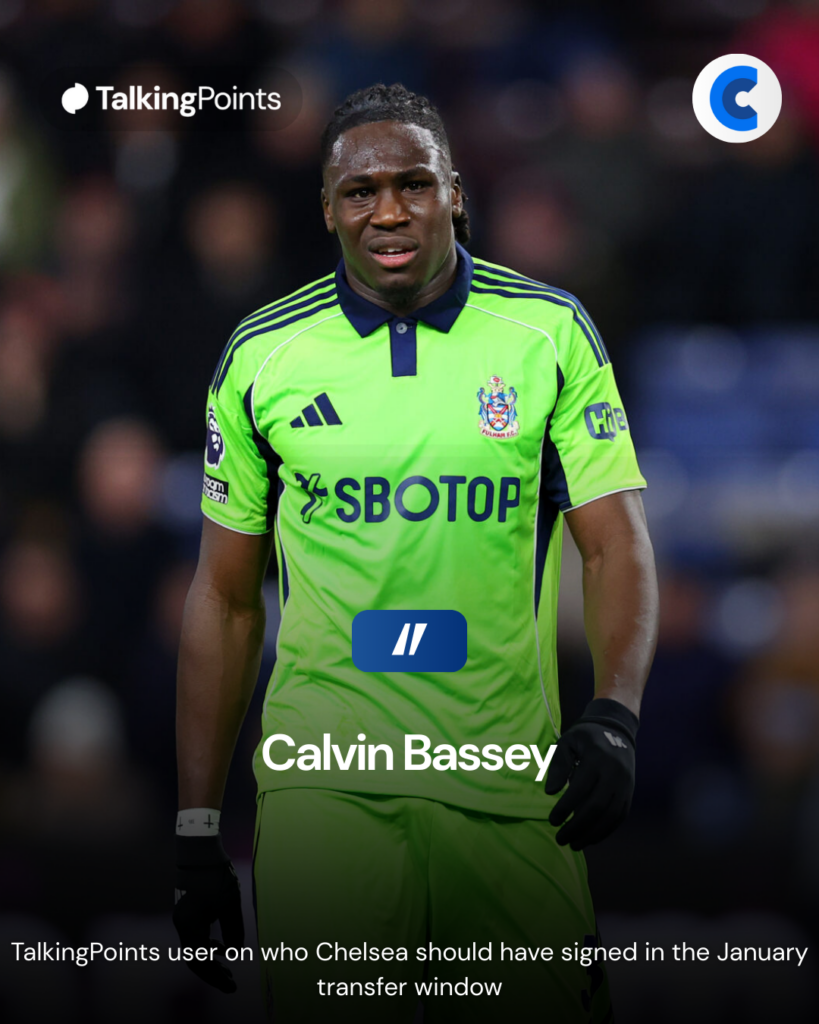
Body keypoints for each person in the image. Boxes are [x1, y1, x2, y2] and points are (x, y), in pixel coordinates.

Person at [173, 83, 658, 1023]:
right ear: (327, 208)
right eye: (359, 191)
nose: (387, 210)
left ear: (455, 194)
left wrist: (613, 716)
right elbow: (225, 599)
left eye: (413, 184)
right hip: (325, 785)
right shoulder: (263, 355)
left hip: (510, 786)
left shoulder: (548, 333)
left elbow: (614, 544)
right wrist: (197, 830)